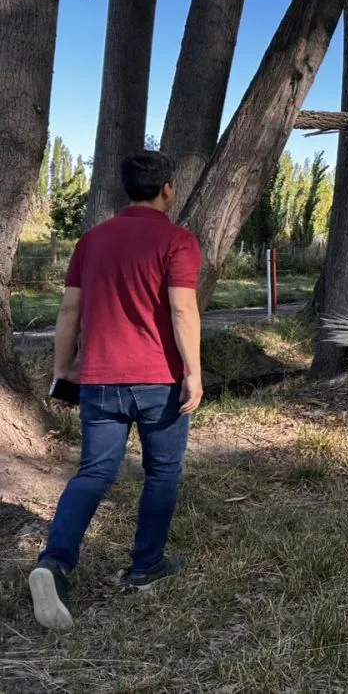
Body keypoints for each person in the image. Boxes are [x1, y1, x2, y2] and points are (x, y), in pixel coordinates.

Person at [29, 150, 204, 632]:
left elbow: (69, 313)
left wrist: (64, 368)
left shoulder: (91, 241)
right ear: (168, 188)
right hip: (159, 382)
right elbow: (183, 311)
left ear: (125, 189)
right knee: (163, 472)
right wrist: (193, 370)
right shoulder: (178, 241)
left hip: (100, 380)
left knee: (94, 472)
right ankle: (146, 566)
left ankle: (55, 562)